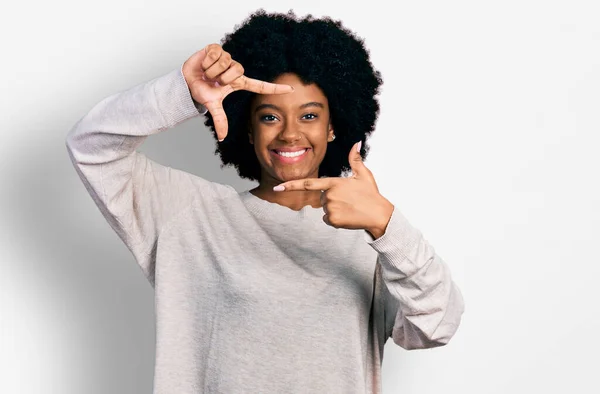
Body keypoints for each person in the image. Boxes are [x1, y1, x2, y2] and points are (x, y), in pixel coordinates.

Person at [65, 8, 465, 394]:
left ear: (333, 128)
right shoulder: (189, 216)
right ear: (249, 130)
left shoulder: (373, 237)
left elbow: (436, 326)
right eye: (270, 117)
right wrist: (181, 92)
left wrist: (386, 224)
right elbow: (91, 147)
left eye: (309, 116)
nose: (290, 134)